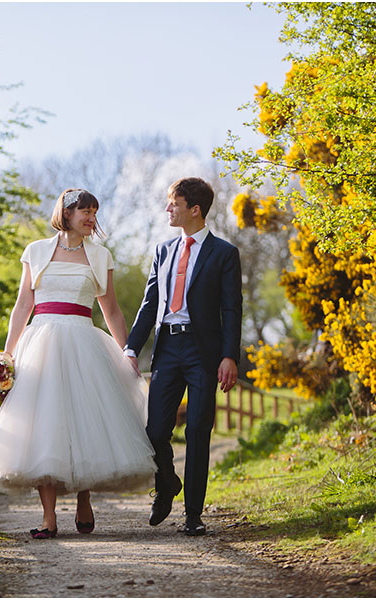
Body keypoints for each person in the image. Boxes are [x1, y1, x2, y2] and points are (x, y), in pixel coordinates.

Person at [0, 188, 156, 539]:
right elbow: (23, 305)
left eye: (95, 213)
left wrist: (128, 351)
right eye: (85, 211)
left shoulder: (101, 256)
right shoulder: (36, 251)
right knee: (45, 425)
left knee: (84, 418)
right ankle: (48, 517)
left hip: (84, 341)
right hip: (40, 342)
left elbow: (111, 309)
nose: (92, 218)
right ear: (66, 213)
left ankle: (85, 499)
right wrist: (7, 355)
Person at [124, 177, 242, 536]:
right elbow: (148, 305)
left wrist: (229, 356)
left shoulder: (224, 253)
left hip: (203, 352)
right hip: (167, 349)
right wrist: (131, 347)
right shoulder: (162, 251)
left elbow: (232, 309)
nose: (167, 209)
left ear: (194, 209)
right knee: (155, 430)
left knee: (198, 432)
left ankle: (193, 515)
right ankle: (167, 483)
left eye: (172, 203)